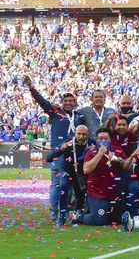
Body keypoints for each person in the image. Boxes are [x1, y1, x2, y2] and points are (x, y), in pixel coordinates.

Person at [24, 75, 85, 223]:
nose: (68, 103)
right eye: (66, 101)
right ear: (62, 103)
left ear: (75, 103)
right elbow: (42, 102)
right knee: (57, 183)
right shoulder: (55, 112)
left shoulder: (79, 116)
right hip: (58, 152)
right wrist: (31, 87)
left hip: (73, 153)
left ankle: (66, 211)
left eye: (71, 101)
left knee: (69, 182)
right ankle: (54, 211)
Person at [74, 128, 136, 226]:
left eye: (105, 138)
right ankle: (79, 216)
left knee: (117, 220)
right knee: (99, 221)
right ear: (97, 140)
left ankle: (93, 211)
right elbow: (86, 169)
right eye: (100, 139)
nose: (103, 141)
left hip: (114, 194)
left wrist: (119, 160)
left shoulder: (117, 150)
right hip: (97, 194)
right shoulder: (91, 152)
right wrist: (100, 153)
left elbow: (126, 166)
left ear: (110, 140)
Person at [45, 125, 95, 225]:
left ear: (88, 134)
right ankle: (62, 217)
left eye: (84, 134)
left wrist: (94, 151)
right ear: (75, 134)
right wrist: (61, 149)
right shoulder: (68, 142)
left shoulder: (92, 143)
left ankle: (76, 216)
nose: (81, 137)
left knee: (80, 196)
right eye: (79, 134)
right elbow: (49, 158)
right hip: (67, 170)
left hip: (81, 174)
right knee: (63, 186)